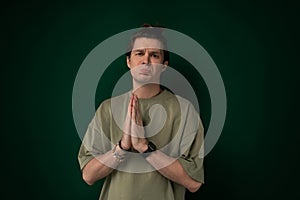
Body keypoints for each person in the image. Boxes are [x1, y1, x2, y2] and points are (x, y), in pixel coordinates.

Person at [78, 24, 205, 200]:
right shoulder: (107, 109)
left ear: (164, 65)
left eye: (154, 55)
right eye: (139, 53)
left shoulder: (185, 111)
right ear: (129, 61)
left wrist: (146, 149)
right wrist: (122, 148)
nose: (146, 60)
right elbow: (88, 175)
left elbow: (194, 183)